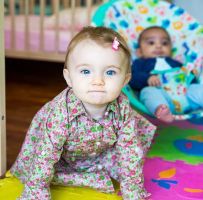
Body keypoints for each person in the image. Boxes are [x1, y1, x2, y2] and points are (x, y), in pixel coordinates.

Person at [10, 26, 156, 200]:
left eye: (110, 72)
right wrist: (36, 191)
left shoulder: (122, 106)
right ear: (69, 77)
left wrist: (132, 190)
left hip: (98, 153)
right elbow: (46, 154)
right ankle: (70, 177)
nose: (97, 81)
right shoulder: (61, 110)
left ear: (125, 79)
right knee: (40, 167)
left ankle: (91, 173)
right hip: (59, 157)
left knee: (134, 143)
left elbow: (129, 150)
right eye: (85, 71)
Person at [129, 26, 203, 123]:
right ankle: (160, 109)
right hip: (163, 96)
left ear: (170, 49)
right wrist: (147, 78)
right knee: (147, 92)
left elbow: (186, 75)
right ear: (139, 52)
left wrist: (190, 75)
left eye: (164, 43)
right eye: (151, 43)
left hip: (186, 95)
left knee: (196, 89)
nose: (159, 46)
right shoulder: (140, 63)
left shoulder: (175, 63)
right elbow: (132, 78)